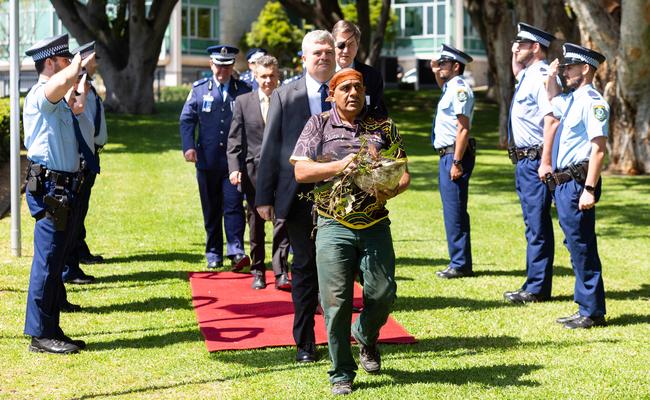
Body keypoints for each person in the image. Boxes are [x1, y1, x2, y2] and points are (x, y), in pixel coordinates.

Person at [291, 68, 410, 396]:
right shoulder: (318, 125)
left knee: (383, 292)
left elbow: (403, 173)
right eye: (345, 88)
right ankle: (341, 372)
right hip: (333, 225)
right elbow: (301, 170)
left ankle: (366, 335)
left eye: (358, 87)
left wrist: (392, 189)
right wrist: (338, 166)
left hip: (374, 224)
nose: (354, 93)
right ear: (332, 95)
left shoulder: (382, 126)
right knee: (336, 302)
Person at [255, 30, 336, 364]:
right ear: (304, 58)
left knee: (338, 269)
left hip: (341, 196)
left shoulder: (348, 90)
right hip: (299, 196)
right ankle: (305, 342)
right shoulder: (285, 96)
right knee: (303, 267)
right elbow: (270, 147)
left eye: (329, 51)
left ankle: (343, 340)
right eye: (317, 52)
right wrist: (264, 196)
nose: (324, 56)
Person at [22, 33, 94, 354]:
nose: (70, 68)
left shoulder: (58, 99)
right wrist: (77, 66)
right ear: (51, 63)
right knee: (48, 260)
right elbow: (61, 84)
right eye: (64, 61)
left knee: (55, 258)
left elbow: (75, 105)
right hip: (51, 188)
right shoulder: (42, 94)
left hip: (62, 188)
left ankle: (50, 327)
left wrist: (77, 75)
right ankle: (40, 334)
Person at [545, 43, 608, 329]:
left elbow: (598, 149)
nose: (565, 71)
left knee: (582, 246)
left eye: (569, 67)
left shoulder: (593, 101)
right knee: (574, 244)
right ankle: (584, 306)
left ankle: (592, 311)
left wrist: (590, 189)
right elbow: (552, 99)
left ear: (585, 68)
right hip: (565, 183)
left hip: (578, 183)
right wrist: (551, 75)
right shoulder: (571, 99)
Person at [180, 45, 251, 271]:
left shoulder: (244, 90)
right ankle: (213, 252)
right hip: (208, 160)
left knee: (234, 205)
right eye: (218, 65)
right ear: (211, 65)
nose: (222, 70)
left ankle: (236, 250)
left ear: (232, 66)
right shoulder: (200, 89)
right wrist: (189, 146)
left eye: (227, 66)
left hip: (235, 161)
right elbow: (187, 119)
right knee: (211, 208)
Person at [503, 23, 559, 304]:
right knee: (532, 223)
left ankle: (537, 288)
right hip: (524, 160)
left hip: (535, 158)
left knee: (537, 225)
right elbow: (516, 70)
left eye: (521, 44)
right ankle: (533, 282)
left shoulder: (540, 77)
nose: (516, 47)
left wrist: (546, 161)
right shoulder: (527, 74)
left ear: (535, 48)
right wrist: (515, 54)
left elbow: (551, 120)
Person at [227, 54, 291, 291]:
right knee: (255, 223)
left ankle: (281, 271)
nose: (267, 81)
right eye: (263, 76)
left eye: (272, 76)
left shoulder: (287, 100)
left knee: (282, 221)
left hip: (283, 172)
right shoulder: (243, 102)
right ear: (255, 76)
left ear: (278, 76)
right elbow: (234, 140)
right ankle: (258, 271)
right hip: (253, 172)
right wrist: (234, 169)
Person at [430, 44, 476, 279]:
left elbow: (463, 128)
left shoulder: (460, 90)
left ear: (456, 66)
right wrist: (435, 72)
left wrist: (457, 162)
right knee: (452, 210)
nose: (439, 67)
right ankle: (459, 260)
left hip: (454, 155)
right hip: (448, 155)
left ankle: (460, 264)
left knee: (455, 211)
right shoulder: (450, 88)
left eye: (444, 64)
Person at [62, 41, 106, 288]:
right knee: (72, 217)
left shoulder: (83, 81)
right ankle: (70, 267)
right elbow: (77, 111)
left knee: (79, 214)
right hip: (79, 159)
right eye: (94, 58)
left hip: (88, 156)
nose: (96, 62)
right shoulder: (74, 83)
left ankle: (76, 257)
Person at [331, 20, 387, 116]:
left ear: (357, 45)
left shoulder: (372, 76)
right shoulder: (323, 74)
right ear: (333, 45)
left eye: (351, 45)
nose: (346, 50)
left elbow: (379, 114)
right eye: (341, 45)